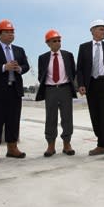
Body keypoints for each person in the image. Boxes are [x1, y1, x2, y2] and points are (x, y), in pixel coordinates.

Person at [0, 20, 30, 163]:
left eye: (12, 32)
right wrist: (4, 67)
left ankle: (12, 148)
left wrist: (19, 69)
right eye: (7, 32)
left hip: (14, 90)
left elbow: (26, 66)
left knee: (13, 120)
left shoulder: (19, 50)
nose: (11, 34)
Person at [77, 19, 104, 161]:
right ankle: (101, 144)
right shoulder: (83, 48)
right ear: (93, 31)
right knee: (94, 115)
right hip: (91, 85)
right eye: (101, 29)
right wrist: (81, 84)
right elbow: (80, 69)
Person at [35, 29, 77, 157]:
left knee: (67, 118)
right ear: (48, 43)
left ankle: (67, 144)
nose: (58, 43)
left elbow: (73, 73)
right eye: (54, 41)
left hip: (65, 89)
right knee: (50, 118)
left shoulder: (68, 55)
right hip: (50, 90)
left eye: (59, 40)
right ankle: (51, 145)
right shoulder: (42, 58)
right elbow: (40, 75)